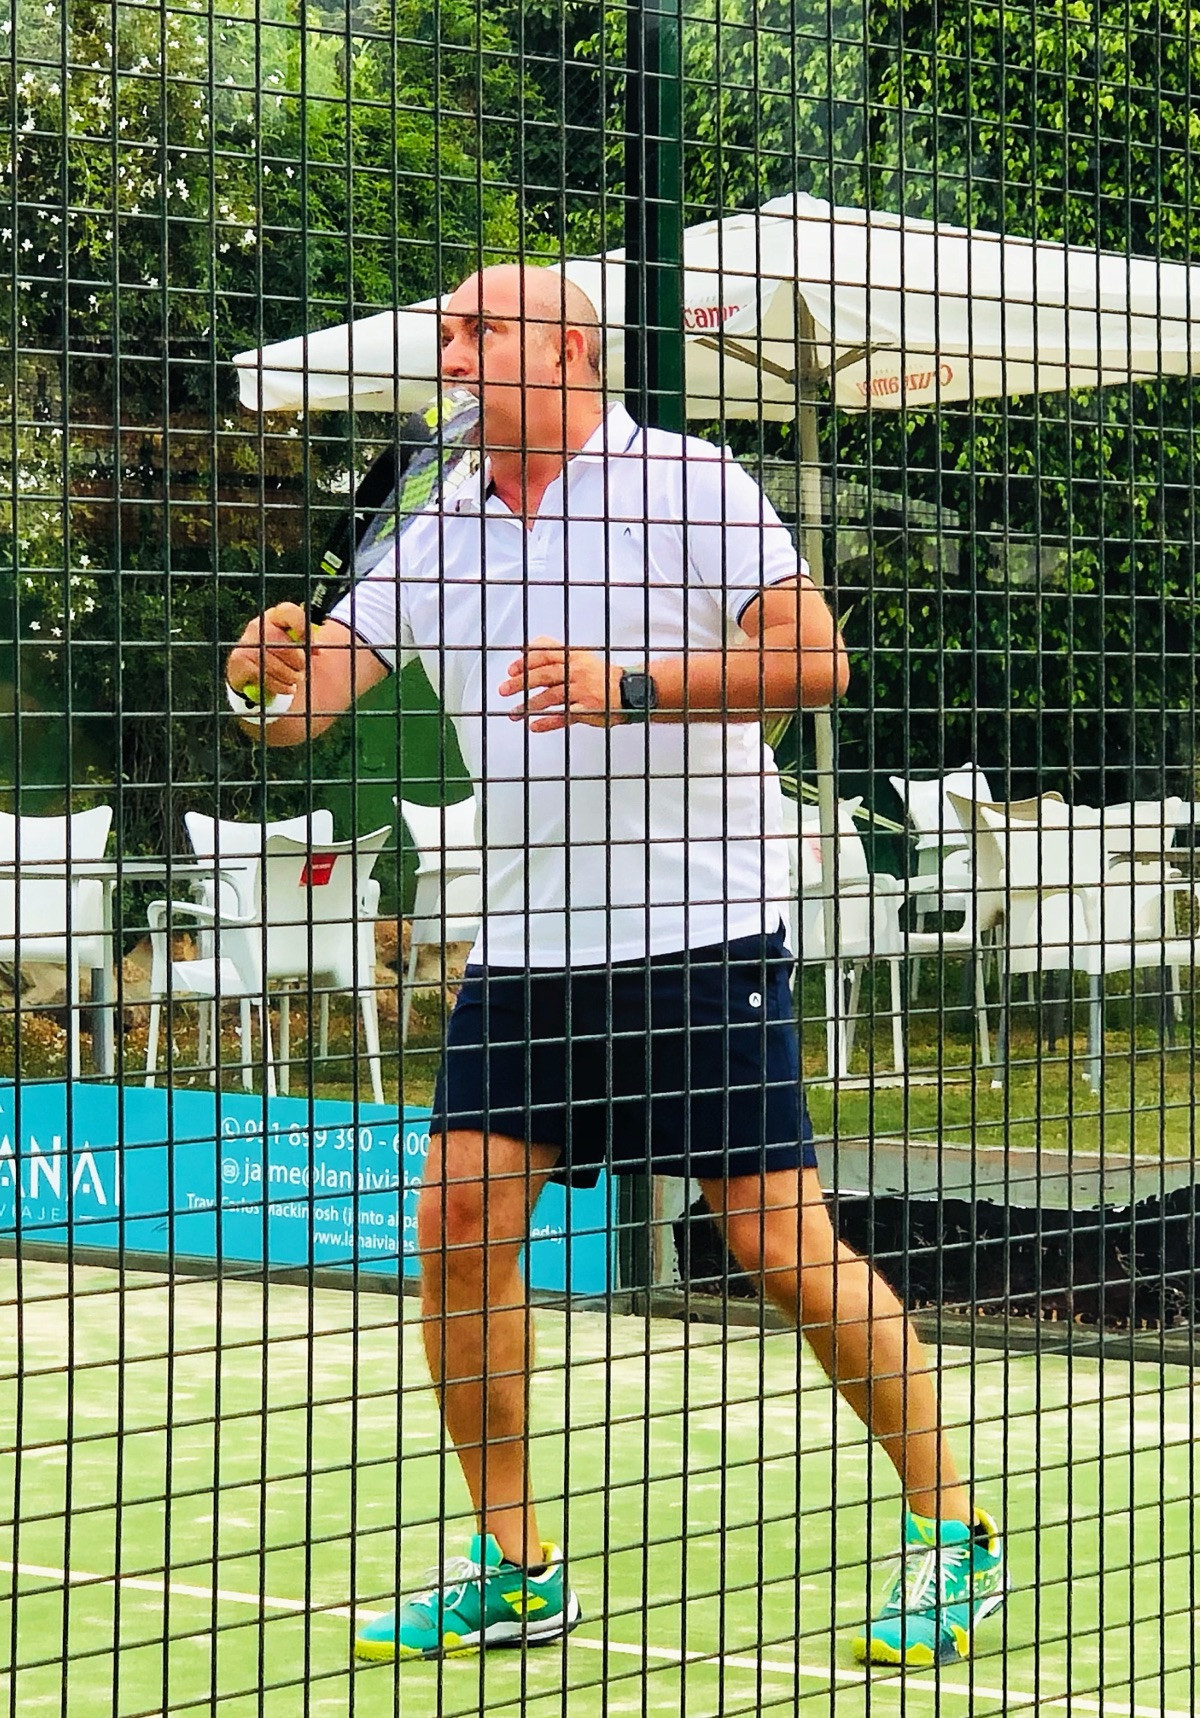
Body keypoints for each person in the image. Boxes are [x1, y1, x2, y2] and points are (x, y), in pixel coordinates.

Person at [226, 263, 1007, 1670]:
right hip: (528, 945)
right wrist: (260, 675)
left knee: (778, 1248)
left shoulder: (692, 483)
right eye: (448, 333)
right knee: (458, 1226)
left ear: (573, 348)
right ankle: (514, 1564)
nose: (452, 354)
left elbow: (815, 661)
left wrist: (631, 685)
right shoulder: (434, 521)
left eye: (481, 329)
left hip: (703, 924)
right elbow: (304, 707)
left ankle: (956, 1532)